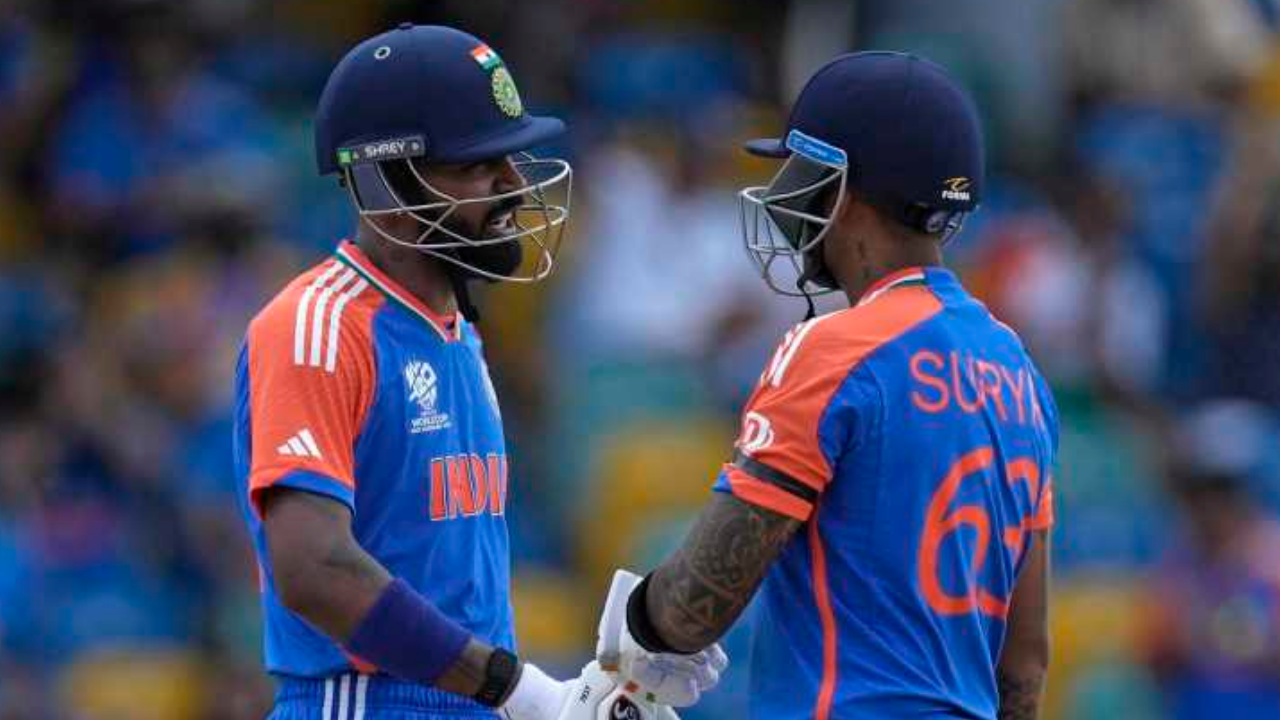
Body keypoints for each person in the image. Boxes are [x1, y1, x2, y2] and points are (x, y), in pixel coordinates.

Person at [232, 24, 722, 720]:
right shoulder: (316, 325)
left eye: (512, 159)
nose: (515, 186)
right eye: (477, 164)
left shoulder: (455, 330)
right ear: (384, 179)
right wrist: (521, 689)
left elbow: (450, 591)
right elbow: (313, 570)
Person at [596, 52, 1058, 720]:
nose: (786, 192)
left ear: (842, 193)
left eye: (800, 172)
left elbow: (693, 611)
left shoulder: (832, 348)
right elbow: (1026, 662)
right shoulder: (1019, 370)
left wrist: (637, 626)